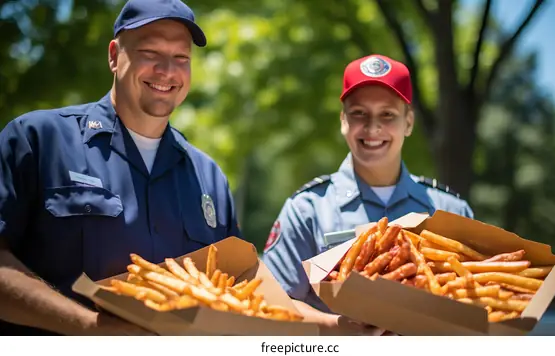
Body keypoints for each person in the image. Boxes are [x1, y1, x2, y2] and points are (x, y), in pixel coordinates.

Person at [0, 0, 241, 336]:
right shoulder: (36, 140)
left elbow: (235, 291)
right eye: (150, 52)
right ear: (114, 56)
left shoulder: (209, 177)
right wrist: (89, 328)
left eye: (181, 58)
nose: (167, 70)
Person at [261, 54, 474, 335]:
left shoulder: (452, 211)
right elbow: (270, 300)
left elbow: (477, 306)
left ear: (408, 123)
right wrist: (338, 327)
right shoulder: (307, 210)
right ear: (343, 121)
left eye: (388, 114)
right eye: (359, 113)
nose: (373, 127)